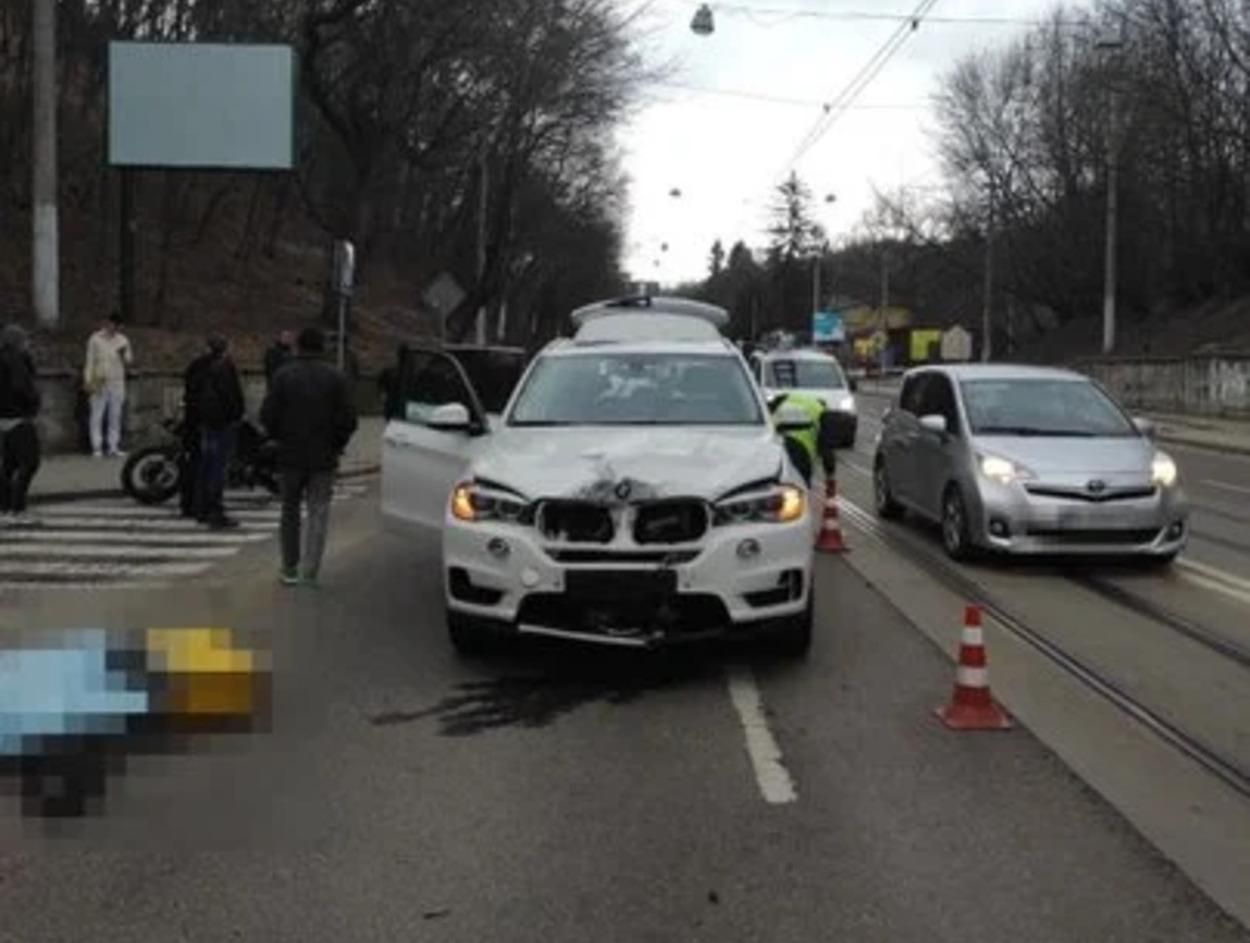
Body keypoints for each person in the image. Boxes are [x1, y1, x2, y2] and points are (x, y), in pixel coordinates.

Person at [261, 328, 357, 587]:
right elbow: (349, 418)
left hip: (290, 454)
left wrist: (276, 436)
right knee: (318, 513)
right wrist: (337, 443)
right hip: (324, 456)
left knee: (289, 511)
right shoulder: (336, 378)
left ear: (298, 347)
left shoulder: (283, 376)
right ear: (322, 347)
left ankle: (289, 567)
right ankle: (310, 570)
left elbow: (268, 413)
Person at [193, 335, 245, 530]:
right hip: (222, 423)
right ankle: (215, 511)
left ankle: (202, 508)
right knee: (217, 468)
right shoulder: (224, 368)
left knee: (206, 465)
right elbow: (231, 397)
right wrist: (236, 415)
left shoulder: (203, 367)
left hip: (207, 422)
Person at [0, 325, 42, 524]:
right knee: (30, 462)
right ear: (17, 342)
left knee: (8, 466)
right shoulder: (16, 359)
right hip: (19, 417)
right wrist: (33, 403)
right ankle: (17, 508)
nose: (28, 344)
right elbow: (21, 386)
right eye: (25, 340)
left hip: (4, 419)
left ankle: (5, 507)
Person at [83, 313, 132, 458]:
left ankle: (113, 446)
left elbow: (129, 361)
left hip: (117, 382)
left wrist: (124, 355)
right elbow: (89, 361)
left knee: (115, 415)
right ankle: (96, 447)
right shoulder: (95, 339)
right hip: (99, 380)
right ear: (107, 323)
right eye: (113, 324)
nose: (115, 328)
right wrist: (88, 381)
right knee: (97, 415)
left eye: (118, 326)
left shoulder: (123, 339)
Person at [179, 340, 217, 519]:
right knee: (204, 466)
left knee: (192, 464)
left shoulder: (195, 367)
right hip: (205, 422)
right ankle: (200, 505)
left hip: (192, 421)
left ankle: (188, 503)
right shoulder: (214, 369)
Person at [769, 391, 827, 487]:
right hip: (803, 453)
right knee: (802, 487)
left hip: (778, 447)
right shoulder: (821, 411)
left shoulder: (787, 399)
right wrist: (830, 480)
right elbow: (826, 448)